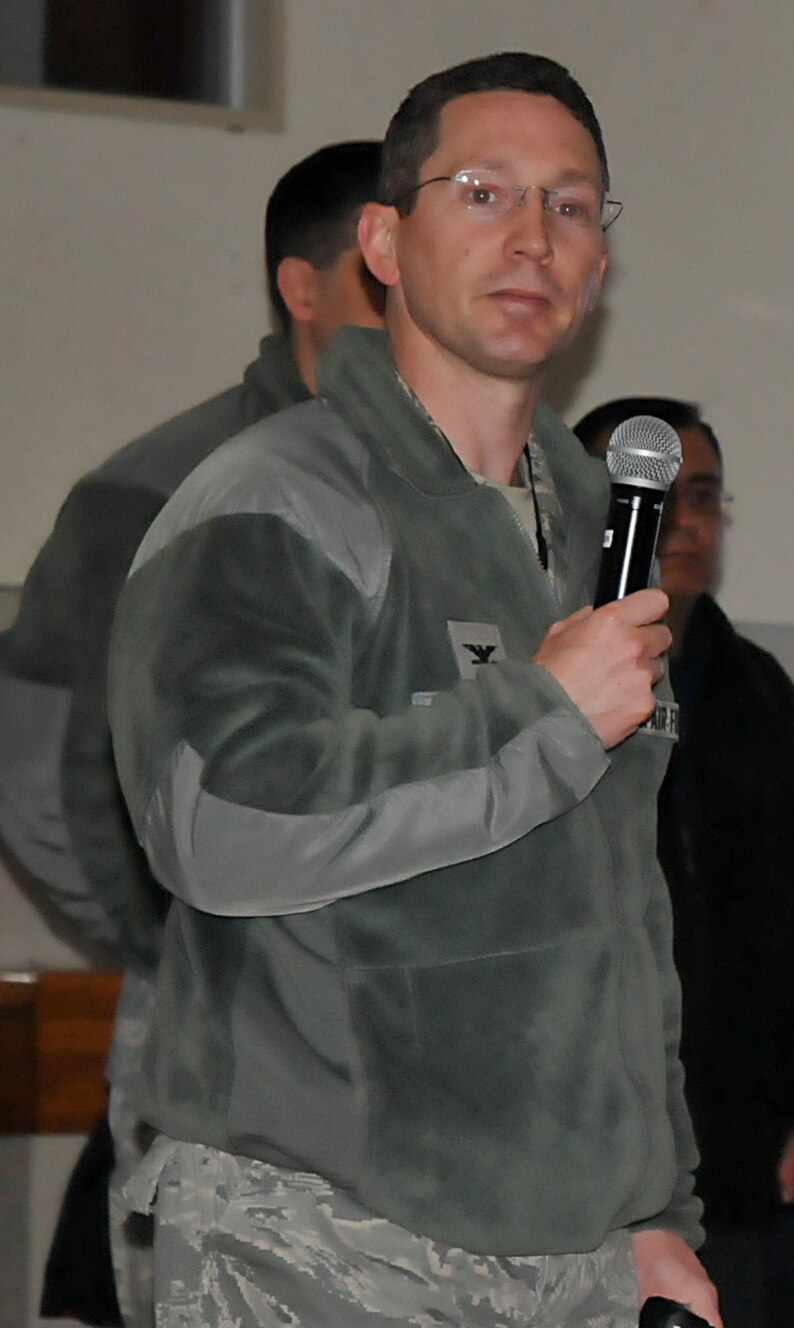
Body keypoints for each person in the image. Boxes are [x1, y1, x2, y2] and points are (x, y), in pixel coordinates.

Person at [103, 53, 718, 1326]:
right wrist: (541, 715)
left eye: (568, 205)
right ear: (384, 241)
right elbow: (220, 821)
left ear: (600, 261)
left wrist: (653, 1211)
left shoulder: (605, 533)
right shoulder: (278, 497)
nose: (532, 236)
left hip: (567, 1256)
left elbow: (617, 913)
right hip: (319, 1236)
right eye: (483, 191)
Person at [0, 138, 384, 1328]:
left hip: (417, 1048)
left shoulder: (462, 502)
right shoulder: (165, 488)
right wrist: (177, 933)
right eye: (381, 280)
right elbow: (35, 760)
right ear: (301, 287)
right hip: (227, 1044)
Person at [575, 396, 794, 1328]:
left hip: (726, 1148)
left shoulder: (758, 695)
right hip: (569, 1144)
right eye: (659, 496)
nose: (688, 522)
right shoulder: (533, 681)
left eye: (704, 496)